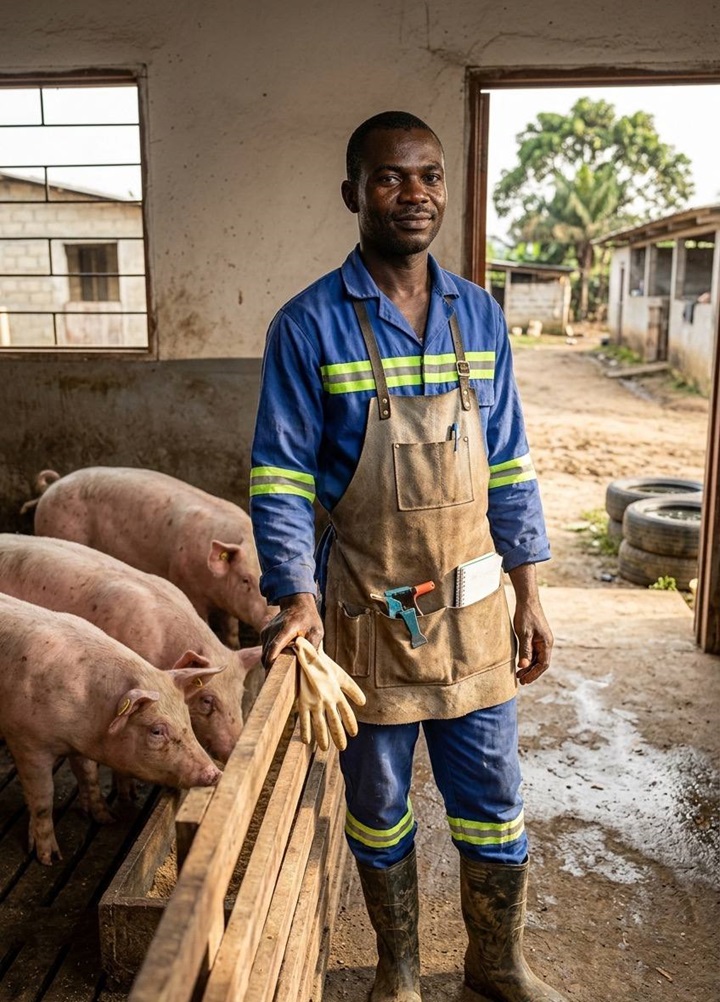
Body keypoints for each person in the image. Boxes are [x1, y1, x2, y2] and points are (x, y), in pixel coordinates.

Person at [249, 110, 568, 1002]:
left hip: (472, 614)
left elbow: (510, 465)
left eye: (429, 175)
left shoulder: (481, 317)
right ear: (354, 192)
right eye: (392, 177)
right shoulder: (307, 325)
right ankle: (398, 970)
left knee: (492, 801)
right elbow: (278, 477)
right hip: (370, 612)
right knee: (380, 808)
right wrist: (295, 596)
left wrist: (530, 592)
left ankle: (496, 963)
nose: (415, 193)